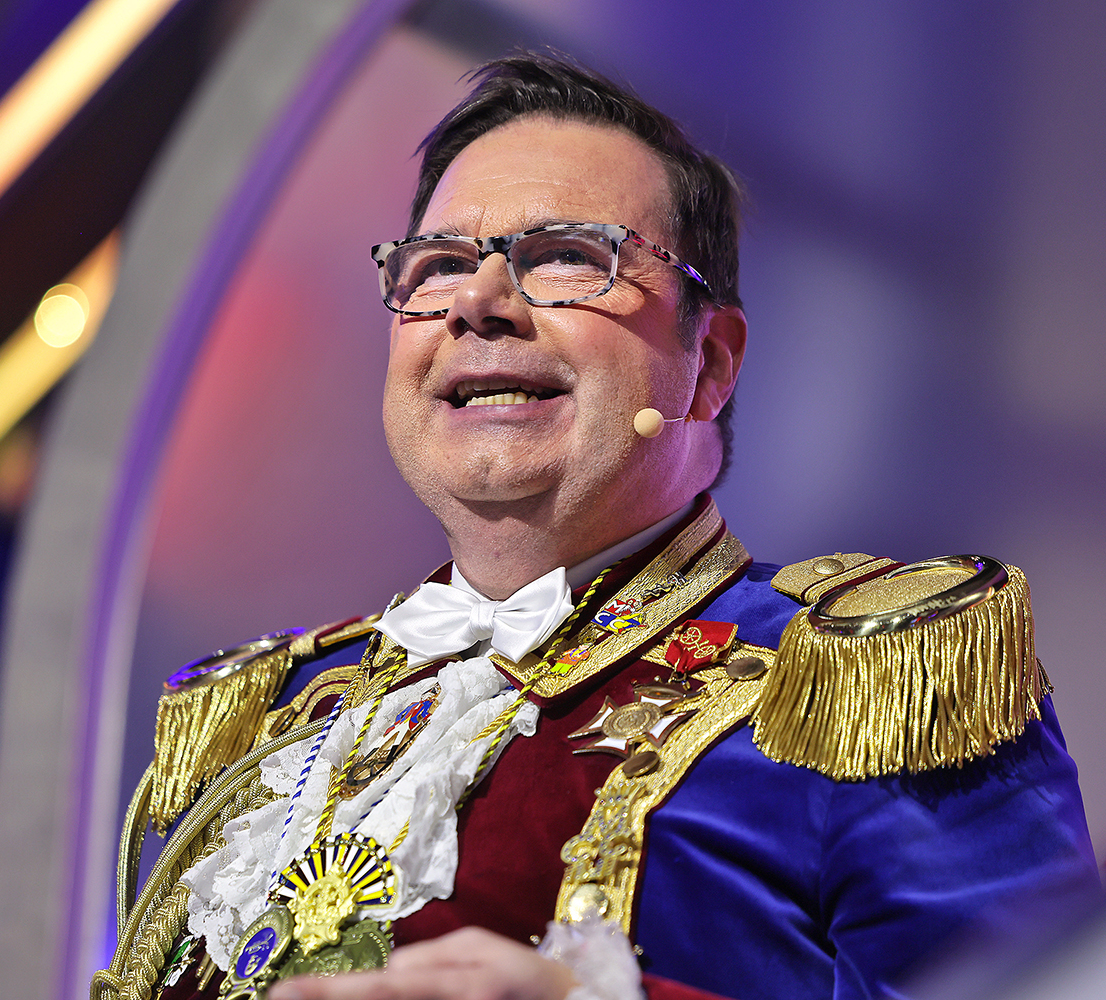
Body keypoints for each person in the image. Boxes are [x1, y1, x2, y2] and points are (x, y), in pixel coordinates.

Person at [92, 55, 1098, 1000]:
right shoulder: (274, 711)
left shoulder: (865, 681)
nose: (478, 304)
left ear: (710, 364)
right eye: (436, 266)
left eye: (568, 258)